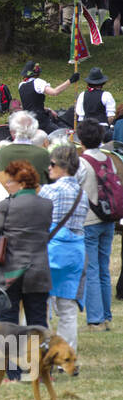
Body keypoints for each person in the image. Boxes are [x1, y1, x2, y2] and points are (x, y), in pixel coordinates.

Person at [38, 142, 88, 351]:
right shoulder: (81, 193)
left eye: (51, 164)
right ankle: (67, 353)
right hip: (75, 251)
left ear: (61, 166)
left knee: (44, 305)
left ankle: (47, 350)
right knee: (67, 308)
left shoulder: (49, 191)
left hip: (51, 251)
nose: (48, 168)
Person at [0, 161, 53, 326]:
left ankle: (10, 352)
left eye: (10, 181)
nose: (7, 184)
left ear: (22, 184)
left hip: (11, 272)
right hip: (39, 271)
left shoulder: (6, 205)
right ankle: (36, 351)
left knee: (8, 322)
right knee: (38, 321)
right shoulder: (47, 205)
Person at [77, 117, 118, 330]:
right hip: (108, 218)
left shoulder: (81, 163)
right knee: (104, 268)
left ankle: (95, 318)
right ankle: (107, 315)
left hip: (89, 221)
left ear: (81, 139)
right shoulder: (108, 159)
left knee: (91, 269)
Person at [17, 60, 77, 134]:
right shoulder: (38, 82)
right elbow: (54, 92)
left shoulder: (21, 85)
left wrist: (48, 109)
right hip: (40, 121)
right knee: (62, 134)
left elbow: (30, 104)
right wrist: (70, 81)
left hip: (27, 120)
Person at [0, 111, 52, 183]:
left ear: (12, 132)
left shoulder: (2, 152)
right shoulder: (43, 153)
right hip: (37, 192)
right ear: (34, 130)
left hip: (10, 193)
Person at [74, 67, 115, 135]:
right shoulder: (106, 95)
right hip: (102, 129)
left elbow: (80, 116)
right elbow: (111, 117)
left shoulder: (82, 95)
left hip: (86, 129)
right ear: (102, 83)